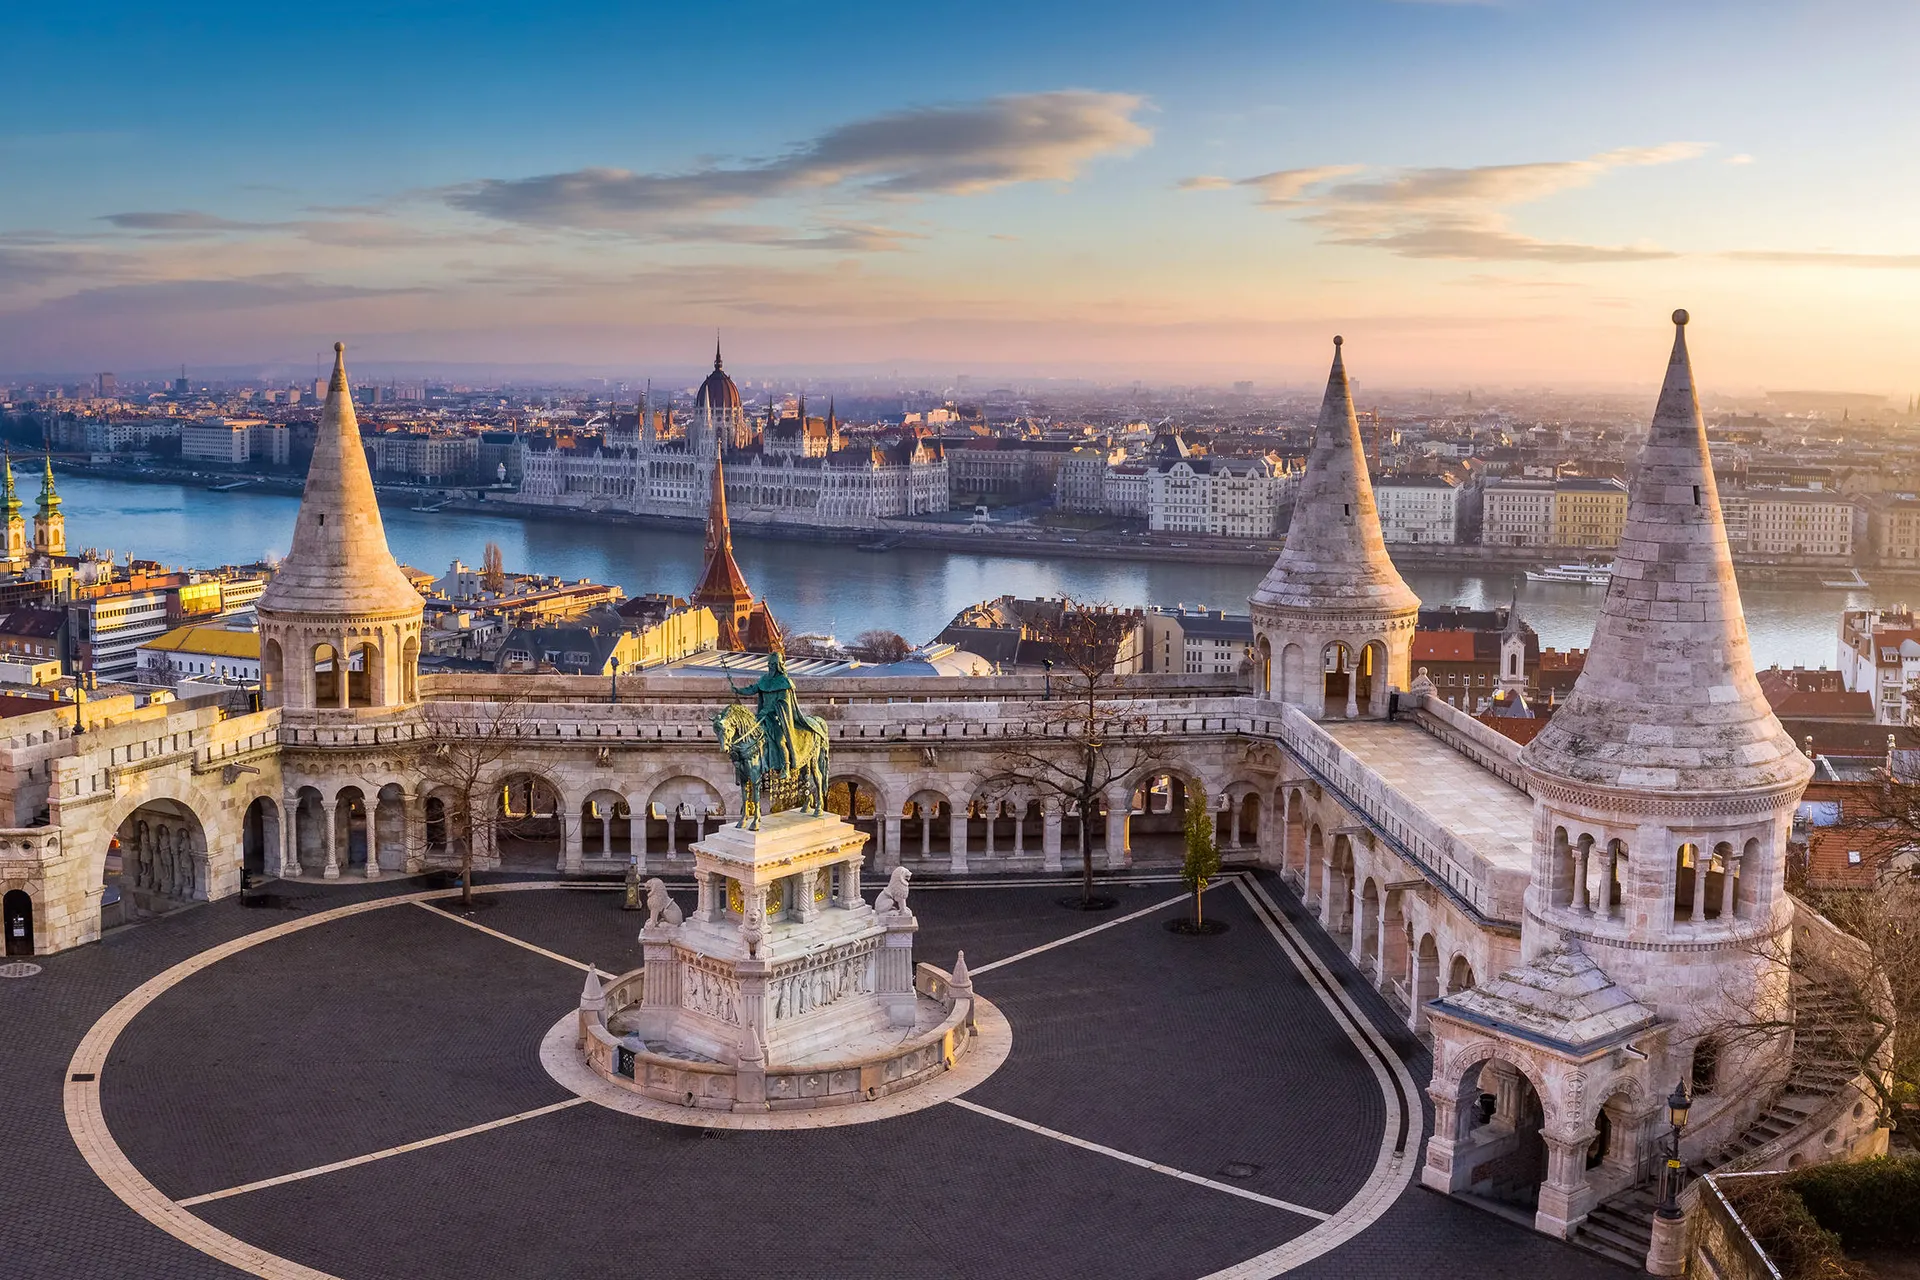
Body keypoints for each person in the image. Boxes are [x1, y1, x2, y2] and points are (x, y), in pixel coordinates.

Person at [729, 653, 800, 774]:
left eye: (773, 664)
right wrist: (738, 690)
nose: (771, 667)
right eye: (769, 664)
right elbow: (753, 689)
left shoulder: (784, 682)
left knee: (779, 740)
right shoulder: (764, 679)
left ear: (778, 665)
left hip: (777, 717)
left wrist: (774, 710)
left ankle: (786, 767)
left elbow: (784, 703)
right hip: (763, 716)